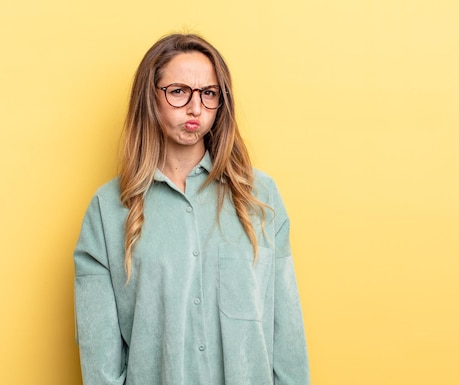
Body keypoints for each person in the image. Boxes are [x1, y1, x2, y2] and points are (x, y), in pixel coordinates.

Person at [74, 33, 309, 385]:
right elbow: (100, 362)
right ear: (151, 98)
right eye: (179, 91)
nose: (196, 108)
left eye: (209, 93)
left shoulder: (260, 197)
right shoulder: (108, 210)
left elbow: (287, 335)